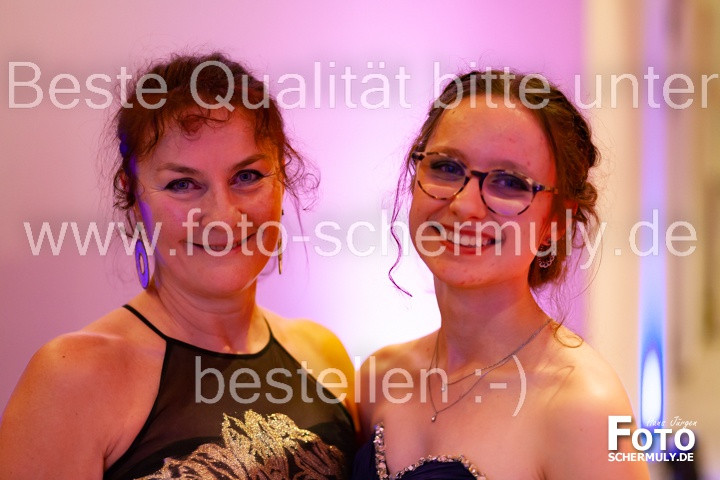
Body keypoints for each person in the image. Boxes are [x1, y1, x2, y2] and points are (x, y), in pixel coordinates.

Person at [0, 52, 357, 479]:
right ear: (133, 197)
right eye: (183, 184)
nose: (223, 215)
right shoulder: (71, 378)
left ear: (282, 177)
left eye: (247, 176)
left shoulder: (322, 354)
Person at [353, 71, 650, 479]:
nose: (465, 205)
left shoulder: (584, 407)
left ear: (556, 221)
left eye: (509, 183)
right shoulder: (379, 378)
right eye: (446, 167)